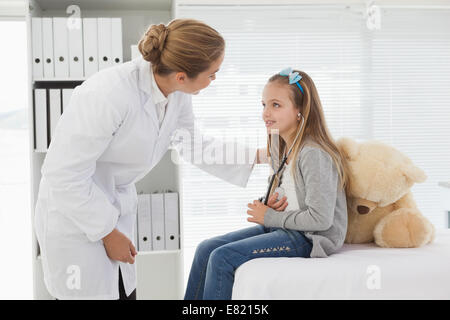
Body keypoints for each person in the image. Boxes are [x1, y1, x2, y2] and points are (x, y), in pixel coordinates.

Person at [34, 19, 265, 300]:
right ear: (181, 75)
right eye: (212, 74)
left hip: (112, 211)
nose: (214, 80)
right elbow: (63, 174)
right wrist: (107, 232)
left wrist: (260, 156)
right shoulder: (108, 94)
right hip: (76, 219)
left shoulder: (176, 94)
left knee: (121, 292)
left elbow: (194, 145)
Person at [184, 68, 351, 300]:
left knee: (222, 257)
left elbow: (321, 219)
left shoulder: (313, 153)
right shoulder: (279, 143)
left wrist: (269, 217)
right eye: (263, 104)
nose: (265, 113)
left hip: (309, 237)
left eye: (275, 105)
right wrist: (269, 205)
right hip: (286, 227)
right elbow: (287, 193)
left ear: (300, 110)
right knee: (205, 249)